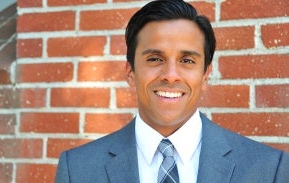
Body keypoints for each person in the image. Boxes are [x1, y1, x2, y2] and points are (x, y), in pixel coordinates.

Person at [55, 0, 289, 182]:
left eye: (187, 61)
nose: (171, 74)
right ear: (130, 72)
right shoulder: (76, 169)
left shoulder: (269, 169)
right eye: (155, 58)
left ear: (205, 75)